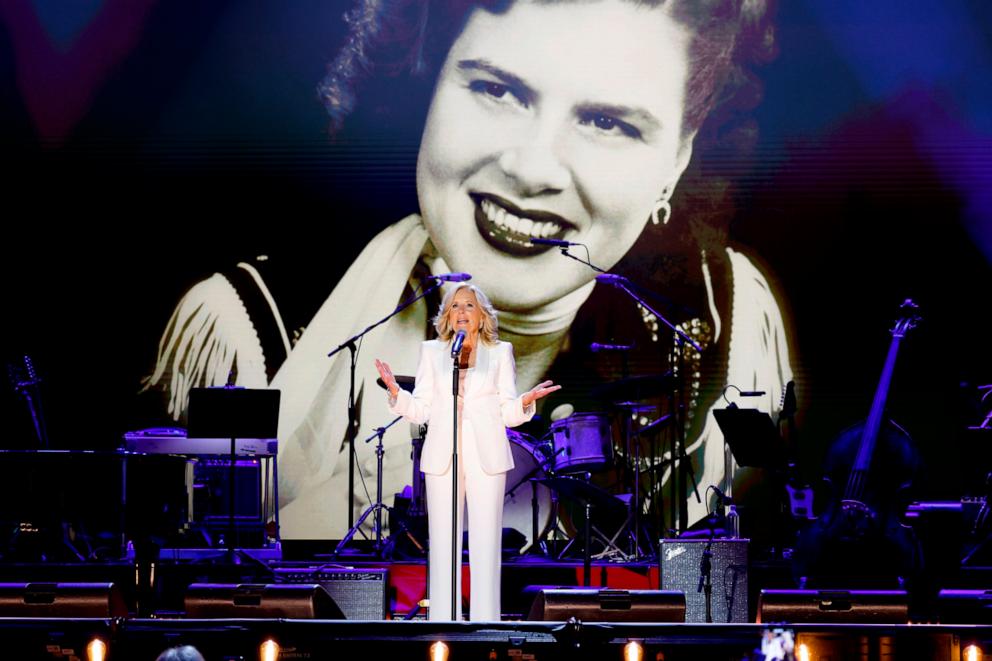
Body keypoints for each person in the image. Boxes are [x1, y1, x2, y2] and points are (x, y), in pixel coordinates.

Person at [145, 0, 794, 541]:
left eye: (606, 122)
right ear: (426, 85)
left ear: (677, 159)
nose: (533, 168)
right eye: (498, 89)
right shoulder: (252, 327)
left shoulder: (723, 319)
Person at [376, 283, 558, 620]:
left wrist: (524, 403)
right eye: (455, 306)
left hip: (486, 453)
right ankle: (444, 617)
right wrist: (397, 393)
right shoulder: (432, 352)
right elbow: (423, 409)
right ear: (447, 315)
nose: (462, 311)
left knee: (485, 540)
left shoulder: (500, 352)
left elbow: (505, 411)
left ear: (482, 315)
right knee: (443, 540)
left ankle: (484, 619)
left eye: (469, 306)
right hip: (444, 453)